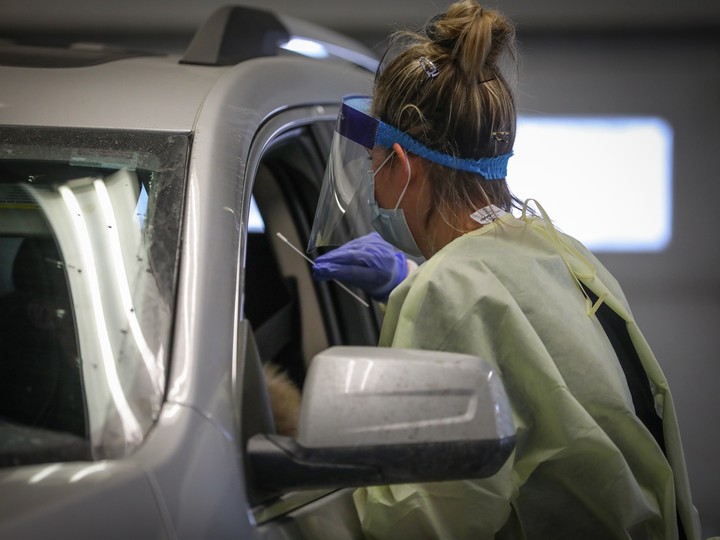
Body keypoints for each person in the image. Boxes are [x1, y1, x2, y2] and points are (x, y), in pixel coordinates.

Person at [307, 1, 701, 538]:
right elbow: (533, 357)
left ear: (400, 164)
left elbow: (423, 522)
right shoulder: (560, 251)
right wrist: (412, 282)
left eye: (374, 168)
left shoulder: (451, 290)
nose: (374, 190)